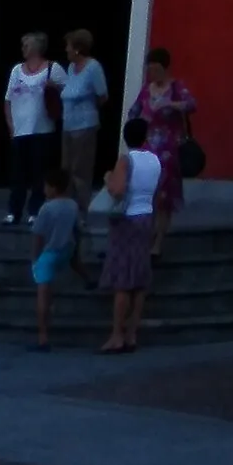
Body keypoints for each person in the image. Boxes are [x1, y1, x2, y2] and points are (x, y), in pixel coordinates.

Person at [99, 115, 161, 351]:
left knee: (123, 281)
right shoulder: (155, 161)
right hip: (146, 216)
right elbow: (155, 193)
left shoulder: (126, 160)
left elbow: (117, 190)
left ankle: (116, 334)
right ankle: (132, 333)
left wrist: (107, 178)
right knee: (140, 280)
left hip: (127, 220)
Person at [129, 48, 198, 258]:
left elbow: (192, 105)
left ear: (164, 68)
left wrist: (172, 104)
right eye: (150, 69)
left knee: (163, 198)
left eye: (156, 69)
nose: (153, 73)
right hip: (148, 148)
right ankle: (146, 236)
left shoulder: (176, 88)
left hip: (169, 151)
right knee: (147, 194)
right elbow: (133, 112)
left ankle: (158, 241)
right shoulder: (146, 90)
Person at [2, 32, 65, 230]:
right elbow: (8, 100)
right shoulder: (16, 70)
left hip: (43, 129)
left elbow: (69, 93)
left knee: (40, 173)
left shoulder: (53, 68)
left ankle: (35, 211)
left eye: (26, 44)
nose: (23, 48)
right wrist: (11, 125)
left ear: (37, 47)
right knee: (18, 173)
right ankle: (14, 211)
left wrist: (54, 87)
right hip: (20, 130)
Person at [27, 168, 81, 351]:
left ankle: (43, 337)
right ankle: (88, 278)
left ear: (52, 188)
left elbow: (38, 235)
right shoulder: (73, 205)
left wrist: (35, 257)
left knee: (42, 293)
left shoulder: (46, 208)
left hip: (48, 253)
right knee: (72, 264)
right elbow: (77, 229)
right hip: (66, 248)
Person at [55, 30, 109, 211]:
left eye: (68, 46)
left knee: (81, 171)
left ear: (77, 49)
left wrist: (87, 108)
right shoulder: (71, 68)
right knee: (66, 169)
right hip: (68, 125)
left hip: (85, 126)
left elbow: (102, 95)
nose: (66, 50)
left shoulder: (93, 67)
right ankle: (66, 209)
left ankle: (81, 211)